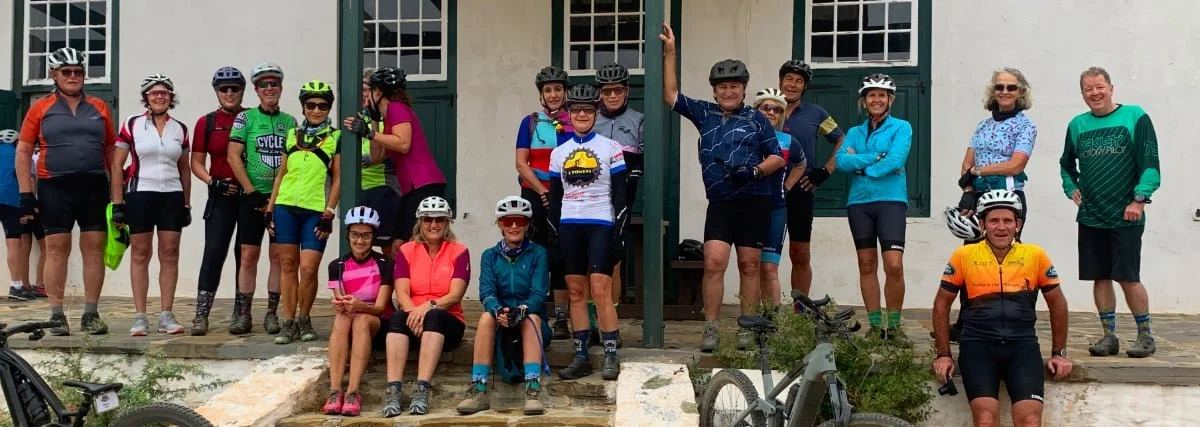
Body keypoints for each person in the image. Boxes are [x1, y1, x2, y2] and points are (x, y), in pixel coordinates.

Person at [659, 23, 785, 352]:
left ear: (743, 90)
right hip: (721, 203)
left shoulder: (757, 119)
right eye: (722, 87)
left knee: (749, 265)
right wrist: (670, 53)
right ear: (715, 91)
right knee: (714, 262)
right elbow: (670, 95)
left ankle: (747, 327)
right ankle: (711, 327)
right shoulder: (705, 113)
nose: (728, 92)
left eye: (734, 86)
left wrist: (755, 172)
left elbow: (777, 157)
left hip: (754, 200)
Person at [932, 190, 1073, 427]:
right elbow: (941, 303)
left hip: (1022, 347)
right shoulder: (964, 255)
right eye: (993, 220)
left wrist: (1059, 353)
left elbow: (1057, 302)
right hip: (978, 346)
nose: (1001, 227)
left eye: (1007, 220)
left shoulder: (1035, 255)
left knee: (1029, 420)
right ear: (981, 223)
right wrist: (943, 354)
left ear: (1018, 224)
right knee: (985, 420)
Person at [1060, 66, 1161, 358]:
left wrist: (1140, 199)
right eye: (1088, 89)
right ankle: (1109, 336)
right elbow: (1066, 165)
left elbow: (1150, 161)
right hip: (1091, 214)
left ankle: (1145, 335)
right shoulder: (1077, 125)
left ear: (1111, 87)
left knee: (1128, 276)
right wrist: (1071, 188)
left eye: (1099, 87)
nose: (1095, 93)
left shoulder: (1135, 116)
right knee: (1099, 276)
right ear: (1082, 94)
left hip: (1126, 214)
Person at [16, 47, 117, 336]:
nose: (73, 77)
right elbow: (23, 149)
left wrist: (119, 191)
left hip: (94, 185)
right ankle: (57, 314)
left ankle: (91, 313)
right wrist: (26, 193)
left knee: (94, 250)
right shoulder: (40, 108)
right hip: (54, 185)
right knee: (58, 250)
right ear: (54, 75)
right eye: (66, 72)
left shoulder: (99, 107)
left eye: (78, 72)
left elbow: (111, 149)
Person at [941, 67, 1038, 343]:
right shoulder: (982, 126)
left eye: (1011, 87)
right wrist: (969, 190)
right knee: (971, 260)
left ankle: (1014, 322)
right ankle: (967, 322)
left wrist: (979, 173)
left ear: (1021, 92)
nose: (1005, 92)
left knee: (1008, 262)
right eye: (1000, 87)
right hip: (979, 199)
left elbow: (1016, 164)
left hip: (1008, 198)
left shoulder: (1025, 124)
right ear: (992, 91)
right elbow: (967, 163)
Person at [548, 84, 630, 381]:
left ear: (596, 113)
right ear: (569, 114)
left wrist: (618, 232)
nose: (582, 114)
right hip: (570, 225)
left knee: (600, 291)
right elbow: (555, 198)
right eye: (576, 110)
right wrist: (554, 233)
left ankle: (610, 353)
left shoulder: (612, 148)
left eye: (588, 110)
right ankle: (581, 354)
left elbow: (621, 195)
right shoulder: (559, 153)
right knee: (575, 292)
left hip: (600, 224)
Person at [109, 74, 192, 336]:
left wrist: (187, 205)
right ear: (146, 97)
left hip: (172, 195)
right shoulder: (132, 124)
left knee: (170, 254)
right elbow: (116, 165)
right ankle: (140, 316)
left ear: (170, 97)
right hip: (140, 193)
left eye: (164, 93)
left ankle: (166, 314)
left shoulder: (180, 128)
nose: (159, 96)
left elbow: (185, 168)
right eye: (154, 93)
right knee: (140, 254)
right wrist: (118, 203)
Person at [834, 73, 912, 343]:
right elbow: (841, 163)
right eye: (871, 95)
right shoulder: (854, 132)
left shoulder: (902, 127)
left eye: (881, 95)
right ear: (864, 101)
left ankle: (894, 326)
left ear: (890, 99)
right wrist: (874, 158)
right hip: (859, 204)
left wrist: (863, 165)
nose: (876, 99)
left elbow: (896, 159)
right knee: (866, 264)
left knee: (894, 265)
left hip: (891, 201)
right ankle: (876, 326)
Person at [456, 196, 550, 416]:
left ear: (527, 224)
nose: (514, 226)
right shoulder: (489, 255)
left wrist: (522, 309)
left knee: (532, 318)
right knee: (485, 317)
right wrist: (498, 310)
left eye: (520, 221)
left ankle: (532, 388)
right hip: (502, 323)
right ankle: (478, 388)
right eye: (508, 222)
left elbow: (538, 292)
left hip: (532, 323)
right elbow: (486, 292)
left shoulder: (538, 254)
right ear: (500, 224)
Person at [266, 80, 342, 344]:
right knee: (288, 265)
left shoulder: (335, 137)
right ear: (303, 107)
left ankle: (304, 317)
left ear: (328, 107)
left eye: (322, 105)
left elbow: (339, 178)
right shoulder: (292, 135)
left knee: (308, 268)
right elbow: (281, 174)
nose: (316, 110)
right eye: (311, 105)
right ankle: (288, 322)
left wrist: (329, 211)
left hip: (314, 210)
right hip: (286, 206)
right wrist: (270, 207)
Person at [380, 196, 469, 417]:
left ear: (448, 223)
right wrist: (414, 313)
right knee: (397, 318)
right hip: (414, 317)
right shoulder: (407, 250)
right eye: (428, 219)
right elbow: (401, 293)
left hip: (448, 320)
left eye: (440, 219)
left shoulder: (459, 251)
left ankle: (422, 389)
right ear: (420, 222)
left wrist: (426, 308)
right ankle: (394, 390)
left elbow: (455, 295)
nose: (433, 224)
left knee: (435, 317)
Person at [227, 61, 295, 335]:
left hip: (280, 198)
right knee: (248, 255)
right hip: (252, 196)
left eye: (274, 84)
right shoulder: (245, 118)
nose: (269, 88)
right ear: (256, 90)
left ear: (280, 88)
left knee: (278, 256)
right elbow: (233, 155)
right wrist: (251, 192)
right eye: (264, 84)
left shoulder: (290, 121)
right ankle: (243, 313)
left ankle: (271, 313)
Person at [344, 67, 448, 243]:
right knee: (397, 243)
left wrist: (369, 133)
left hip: (423, 184)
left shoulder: (396, 108)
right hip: (410, 187)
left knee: (416, 242)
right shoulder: (387, 117)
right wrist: (374, 121)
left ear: (377, 92)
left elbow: (403, 144)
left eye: (369, 90)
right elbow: (377, 156)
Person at [776, 59, 845, 302]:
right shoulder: (766, 108)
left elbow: (842, 140)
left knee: (800, 252)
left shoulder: (817, 113)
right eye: (788, 79)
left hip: (801, 191)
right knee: (763, 255)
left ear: (804, 87)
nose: (792, 85)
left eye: (799, 81)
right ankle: (764, 313)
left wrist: (824, 171)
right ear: (780, 81)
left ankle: (800, 310)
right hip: (767, 190)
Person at [515, 65, 574, 341]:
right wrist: (541, 191)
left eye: (557, 89)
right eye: (547, 90)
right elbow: (521, 162)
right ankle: (534, 310)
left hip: (565, 194)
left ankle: (561, 317)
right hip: (534, 193)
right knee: (535, 253)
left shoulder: (573, 121)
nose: (553, 95)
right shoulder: (530, 122)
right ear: (541, 95)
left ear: (565, 93)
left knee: (561, 253)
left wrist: (558, 192)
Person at [190, 66, 248, 335]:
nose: (229, 93)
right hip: (220, 194)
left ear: (242, 91)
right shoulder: (207, 122)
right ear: (216, 92)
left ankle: (241, 312)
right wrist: (211, 181)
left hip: (248, 194)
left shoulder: (251, 118)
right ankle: (201, 315)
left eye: (234, 88)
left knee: (244, 254)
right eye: (223, 89)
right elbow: (196, 162)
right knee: (214, 252)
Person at [322, 206, 394, 417]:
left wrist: (360, 306)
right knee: (342, 316)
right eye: (355, 235)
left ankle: (353, 391)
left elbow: (380, 307)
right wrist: (339, 304)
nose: (360, 241)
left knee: (361, 319)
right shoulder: (337, 265)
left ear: (373, 237)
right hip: (349, 320)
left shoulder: (385, 264)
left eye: (366, 235)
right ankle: (335, 391)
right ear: (348, 235)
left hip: (377, 321)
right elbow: (339, 298)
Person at [591, 63, 643, 346]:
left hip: (622, 200)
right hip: (592, 201)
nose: (612, 96)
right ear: (600, 93)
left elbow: (645, 157)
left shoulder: (638, 120)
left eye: (618, 90)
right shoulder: (590, 119)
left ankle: (612, 322)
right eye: (607, 91)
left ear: (627, 92)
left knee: (615, 263)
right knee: (591, 263)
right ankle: (593, 321)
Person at [750, 88, 806, 335]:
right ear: (756, 110)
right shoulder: (745, 136)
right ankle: (752, 320)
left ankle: (771, 321)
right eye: (766, 107)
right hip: (749, 207)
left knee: (769, 268)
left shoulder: (788, 141)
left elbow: (802, 163)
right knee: (751, 265)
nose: (771, 112)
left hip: (775, 209)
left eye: (777, 109)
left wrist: (787, 185)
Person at [357, 68, 404, 259]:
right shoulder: (357, 115)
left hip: (383, 186)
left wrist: (369, 157)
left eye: (369, 89)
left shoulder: (388, 114)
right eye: (361, 89)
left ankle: (394, 287)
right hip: (358, 189)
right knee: (360, 246)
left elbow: (389, 146)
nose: (365, 94)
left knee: (388, 247)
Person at [1, 128, 42, 301]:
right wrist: (31, 206)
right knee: (13, 243)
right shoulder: (20, 154)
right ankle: (16, 285)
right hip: (12, 201)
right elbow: (30, 181)